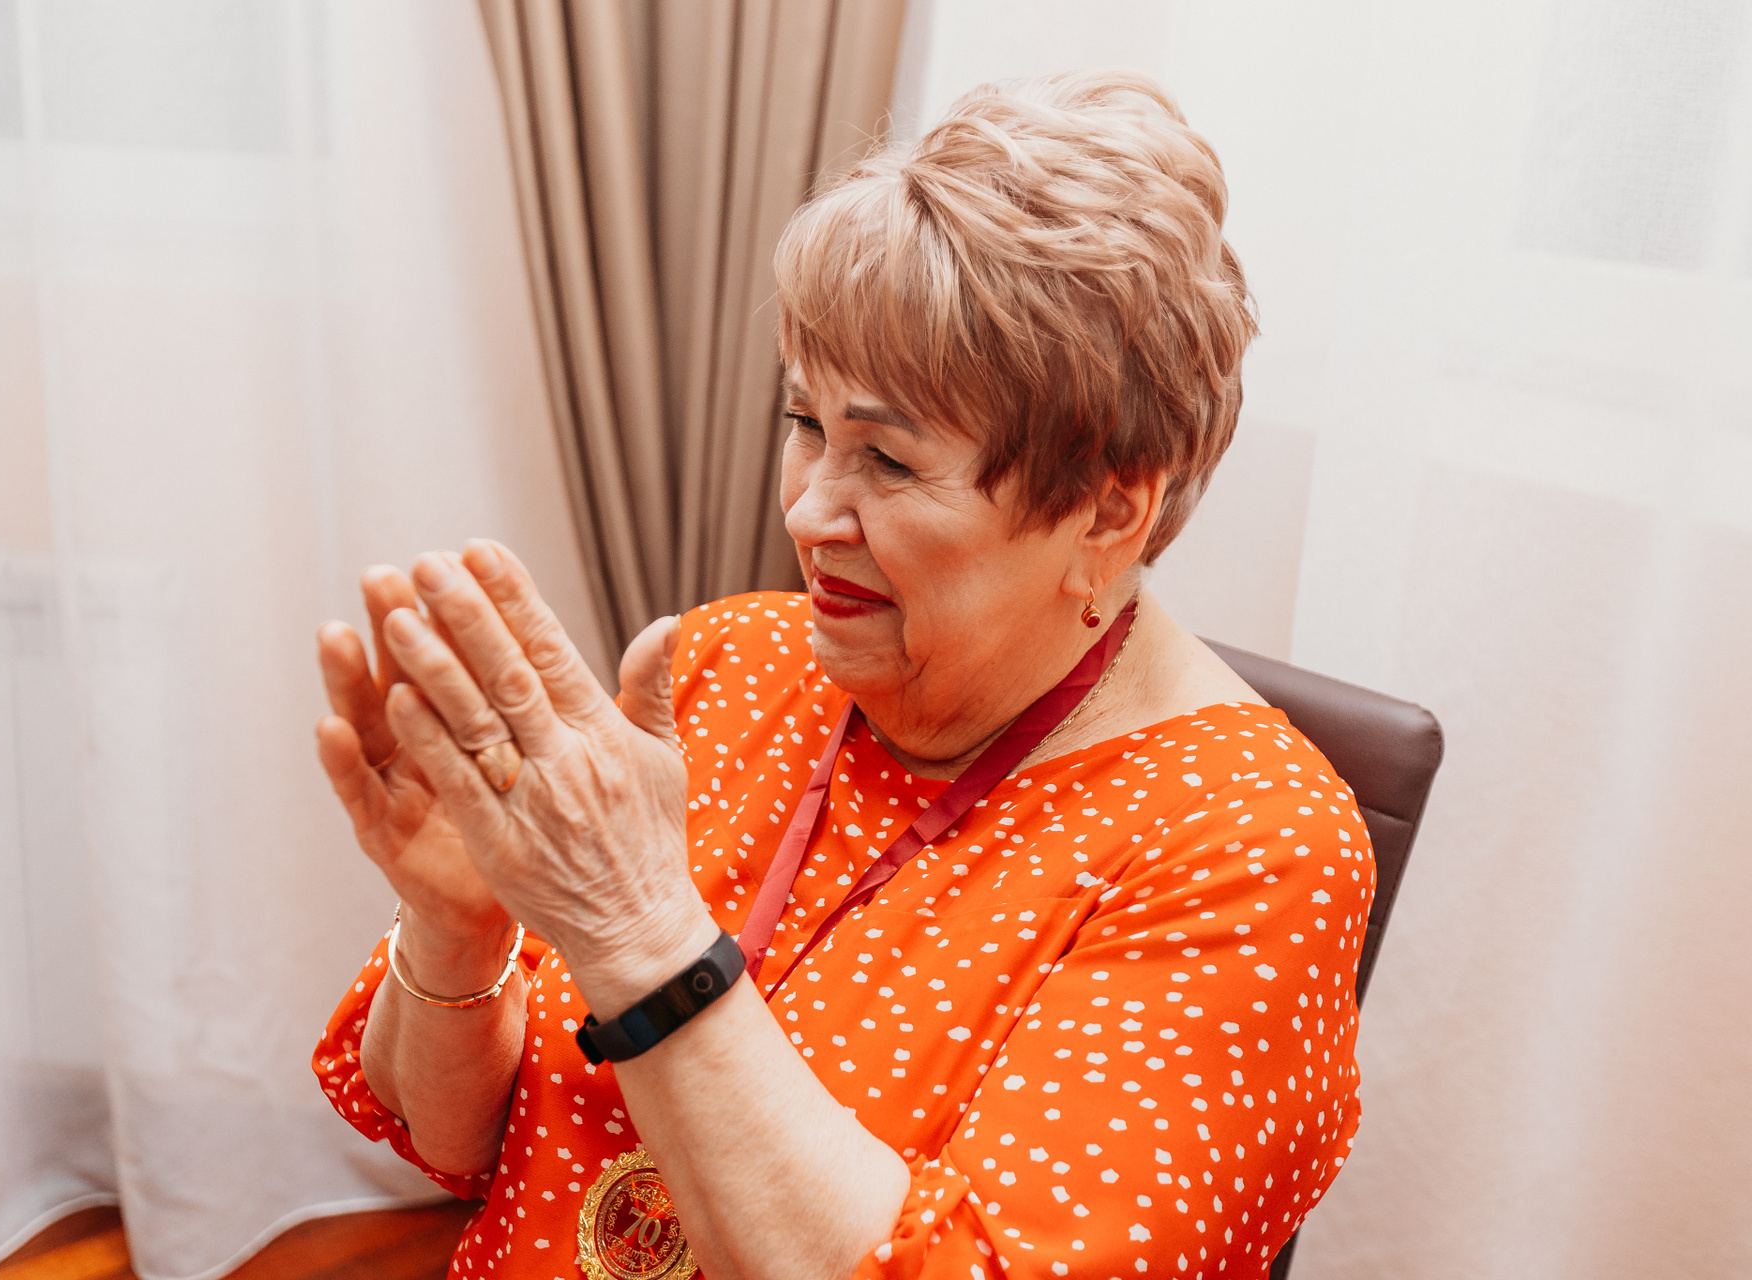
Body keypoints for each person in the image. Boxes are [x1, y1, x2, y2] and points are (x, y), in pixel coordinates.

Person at [311, 70, 1371, 1280]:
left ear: (1107, 509)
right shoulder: (725, 664)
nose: (810, 511)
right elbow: (460, 1138)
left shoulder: (1251, 848)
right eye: (807, 424)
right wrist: (455, 930)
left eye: (890, 460)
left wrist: (639, 927)